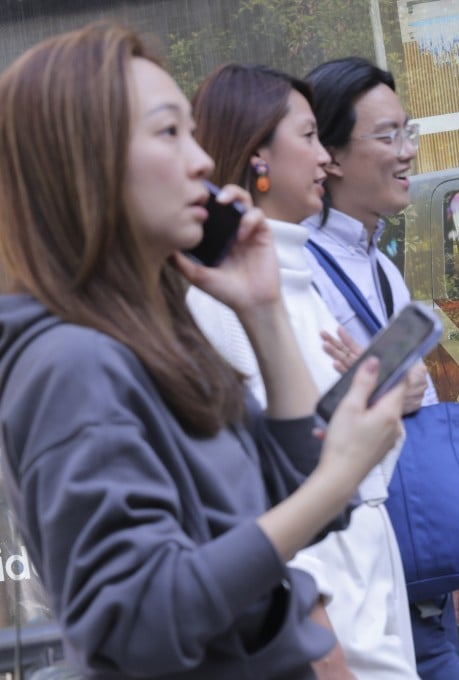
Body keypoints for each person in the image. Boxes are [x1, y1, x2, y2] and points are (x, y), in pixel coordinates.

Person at [0, 22, 406, 679]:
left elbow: (294, 498)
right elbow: (139, 619)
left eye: (192, 132)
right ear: (85, 163)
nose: (200, 161)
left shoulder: (154, 336)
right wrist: (337, 479)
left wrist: (263, 311)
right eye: (168, 133)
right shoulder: (73, 365)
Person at [186, 63, 422, 678]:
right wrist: (317, 630)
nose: (325, 158)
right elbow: (264, 486)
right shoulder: (222, 303)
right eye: (310, 137)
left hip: (367, 564)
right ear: (257, 153)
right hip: (331, 590)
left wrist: (379, 409)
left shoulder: (295, 280)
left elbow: (343, 454)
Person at [302, 56, 459, 679]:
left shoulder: (380, 265)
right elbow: (306, 422)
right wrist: (389, 391)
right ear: (328, 155)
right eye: (386, 137)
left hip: (422, 587)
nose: (406, 151)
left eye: (407, 132)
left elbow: (420, 409)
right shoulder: (299, 271)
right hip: (364, 591)